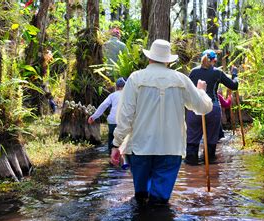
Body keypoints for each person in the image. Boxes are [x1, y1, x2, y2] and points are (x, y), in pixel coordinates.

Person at [110, 39, 213, 205]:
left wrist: (116, 145)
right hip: (170, 149)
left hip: (140, 148)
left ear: (150, 58)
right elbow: (203, 108)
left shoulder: (136, 78)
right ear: (168, 60)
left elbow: (125, 117)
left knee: (141, 198)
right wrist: (201, 92)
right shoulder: (181, 80)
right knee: (159, 202)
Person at [185, 50, 239, 165]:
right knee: (211, 142)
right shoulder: (217, 73)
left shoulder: (193, 72)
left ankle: (191, 174)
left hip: (194, 109)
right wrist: (235, 75)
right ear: (214, 60)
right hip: (212, 109)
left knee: (192, 142)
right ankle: (208, 168)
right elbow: (234, 85)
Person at [88, 77, 126, 154]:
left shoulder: (112, 95)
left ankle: (110, 157)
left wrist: (93, 117)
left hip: (113, 120)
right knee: (124, 141)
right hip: (124, 121)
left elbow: (103, 105)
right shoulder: (129, 95)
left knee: (112, 139)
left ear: (116, 87)